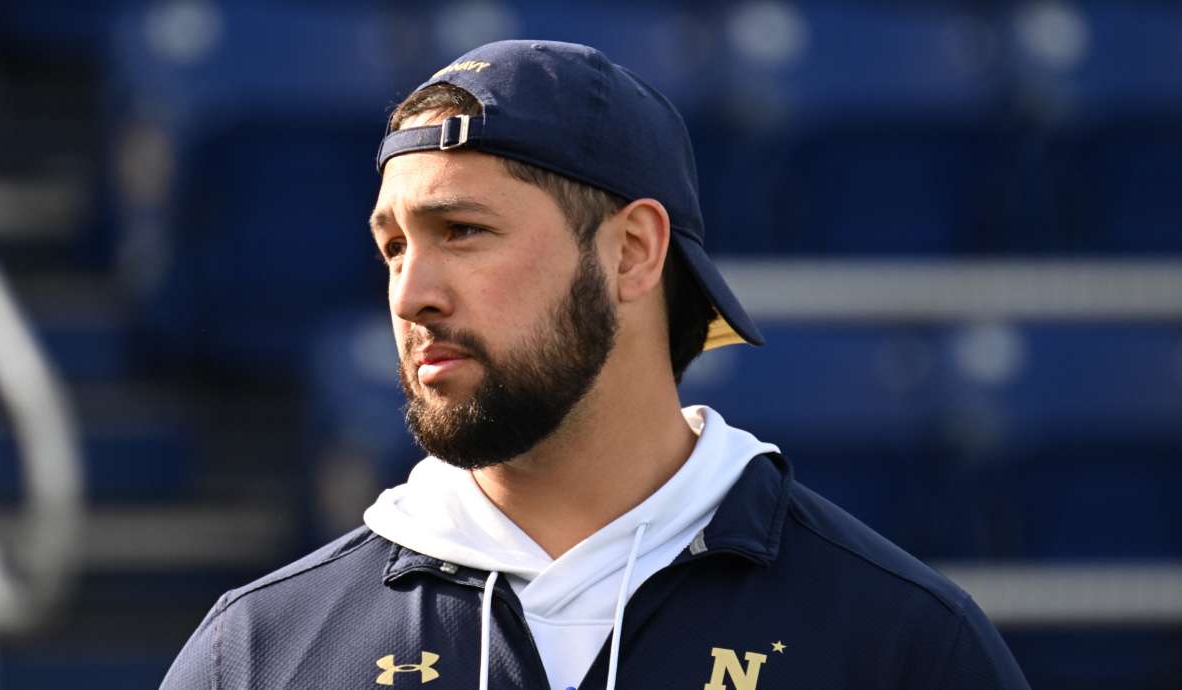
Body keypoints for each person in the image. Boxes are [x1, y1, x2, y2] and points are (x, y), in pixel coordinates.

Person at [161, 40, 1029, 690]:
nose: (410, 293)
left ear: (632, 253)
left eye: (462, 232)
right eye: (394, 247)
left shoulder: (902, 645)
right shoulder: (260, 654)